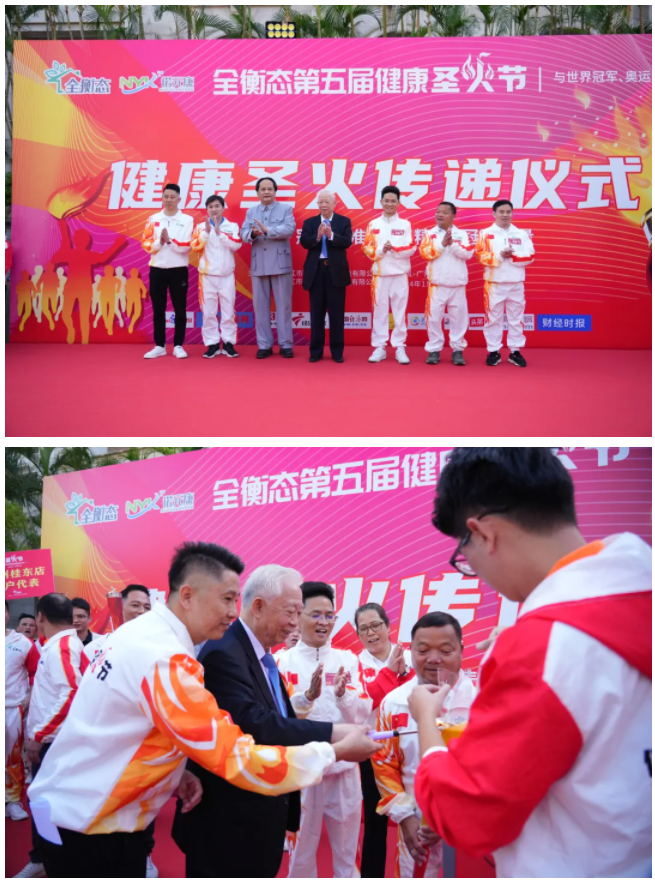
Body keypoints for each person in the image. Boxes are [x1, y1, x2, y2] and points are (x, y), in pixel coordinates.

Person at [27, 543, 378, 879]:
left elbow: (124, 723)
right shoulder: (166, 659)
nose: (233, 612)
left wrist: (176, 771)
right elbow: (236, 757)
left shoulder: (140, 634)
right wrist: (333, 751)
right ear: (188, 596)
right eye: (226, 599)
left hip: (73, 809)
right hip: (92, 828)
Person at [407, 447, 651, 878]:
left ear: (484, 534)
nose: (477, 572)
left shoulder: (543, 647)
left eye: (464, 557)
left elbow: (464, 814)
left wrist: (427, 720)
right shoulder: (637, 589)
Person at [173, 565, 361, 878]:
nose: (295, 623)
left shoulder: (259, 654)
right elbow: (257, 724)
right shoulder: (225, 653)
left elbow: (277, 716)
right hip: (229, 826)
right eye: (292, 612)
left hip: (258, 816)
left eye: (299, 612)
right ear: (258, 606)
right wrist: (335, 734)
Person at [278, 582, 373, 878]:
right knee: (301, 850)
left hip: (343, 768)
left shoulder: (348, 660)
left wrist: (343, 695)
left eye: (329, 615)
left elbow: (363, 712)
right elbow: (278, 719)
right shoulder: (282, 662)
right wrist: (306, 698)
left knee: (347, 850)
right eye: (316, 614)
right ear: (298, 615)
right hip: (302, 768)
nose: (324, 622)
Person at [374, 612, 476, 878]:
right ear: (411, 651)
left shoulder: (481, 702)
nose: (433, 659)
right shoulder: (394, 703)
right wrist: (405, 817)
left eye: (445, 650)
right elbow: (384, 764)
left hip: (471, 827)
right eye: (422, 650)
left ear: (461, 650)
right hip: (417, 829)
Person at [16, 594, 83, 879]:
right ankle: (44, 856)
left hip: (53, 744)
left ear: (40, 616)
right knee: (42, 802)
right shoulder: (57, 644)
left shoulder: (63, 647)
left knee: (46, 804)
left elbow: (71, 693)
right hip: (50, 741)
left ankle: (49, 860)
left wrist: (40, 735)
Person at [354, 603, 413, 877]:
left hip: (410, 749)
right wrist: (389, 673)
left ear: (388, 626)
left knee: (416, 817)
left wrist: (403, 674)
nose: (371, 633)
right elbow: (365, 704)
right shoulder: (355, 664)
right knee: (375, 821)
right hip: (375, 751)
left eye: (376, 625)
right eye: (363, 629)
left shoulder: (411, 657)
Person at [240, 177, 296, 359]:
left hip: (280, 263)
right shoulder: (251, 211)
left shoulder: (286, 209)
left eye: (269, 189)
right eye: (262, 189)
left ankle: (286, 344)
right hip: (260, 264)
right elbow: (243, 234)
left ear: (275, 191)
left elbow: (289, 229)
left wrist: (267, 231)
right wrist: (252, 233)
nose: (266, 192)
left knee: (284, 306)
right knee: (260, 306)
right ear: (257, 192)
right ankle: (264, 344)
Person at [476, 200, 535, 368]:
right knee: (493, 319)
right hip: (494, 283)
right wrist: (501, 256)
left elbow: (531, 255)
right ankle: (493, 351)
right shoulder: (485, 233)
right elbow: (480, 256)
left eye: (508, 212)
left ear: (512, 213)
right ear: (494, 213)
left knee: (516, 319)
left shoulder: (521, 234)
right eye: (501, 212)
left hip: (516, 283)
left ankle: (515, 351)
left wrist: (513, 255)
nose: (505, 215)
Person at [362, 185, 416, 364]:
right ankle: (380, 347)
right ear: (381, 202)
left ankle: (400, 346)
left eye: (393, 201)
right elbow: (367, 247)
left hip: (399, 275)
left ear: (398, 203)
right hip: (380, 275)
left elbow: (412, 247)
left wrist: (394, 248)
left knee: (400, 312)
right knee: (380, 312)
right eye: (387, 201)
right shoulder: (373, 224)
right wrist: (381, 250)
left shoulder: (405, 224)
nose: (389, 204)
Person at [141, 182, 194, 360]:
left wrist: (170, 242)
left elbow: (187, 246)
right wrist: (159, 242)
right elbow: (146, 244)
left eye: (172, 197)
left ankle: (178, 345)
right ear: (162, 198)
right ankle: (159, 345)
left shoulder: (187, 220)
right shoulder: (153, 219)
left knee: (180, 308)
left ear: (179, 199)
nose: (169, 200)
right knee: (158, 308)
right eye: (166, 197)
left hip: (178, 270)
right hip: (157, 269)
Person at [300, 189, 352, 363]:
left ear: (334, 204)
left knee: (336, 315)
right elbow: (304, 242)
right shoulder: (310, 222)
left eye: (326, 202)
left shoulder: (344, 222)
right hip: (316, 272)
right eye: (320, 202)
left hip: (335, 272)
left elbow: (347, 242)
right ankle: (316, 351)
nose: (323, 205)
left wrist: (331, 235)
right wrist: (317, 236)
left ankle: (337, 352)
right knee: (316, 314)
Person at [419, 202, 474, 366]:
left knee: (459, 319)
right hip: (437, 284)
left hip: (457, 284)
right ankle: (434, 349)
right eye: (438, 212)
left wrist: (452, 244)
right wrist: (442, 244)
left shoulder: (462, 234)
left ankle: (457, 349)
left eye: (444, 212)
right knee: (434, 318)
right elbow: (425, 253)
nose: (440, 215)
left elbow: (468, 253)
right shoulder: (429, 234)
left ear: (453, 216)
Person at [191, 194, 242, 359]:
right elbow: (195, 246)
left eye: (217, 206)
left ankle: (228, 343)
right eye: (211, 207)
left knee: (228, 312)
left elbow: (236, 244)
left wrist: (220, 233)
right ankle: (212, 344)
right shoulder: (200, 227)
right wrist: (206, 233)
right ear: (207, 209)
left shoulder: (232, 226)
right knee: (208, 313)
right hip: (207, 277)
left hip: (227, 276)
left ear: (223, 207)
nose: (214, 209)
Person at [5, 602, 40, 822]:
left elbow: (36, 673)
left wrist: (28, 698)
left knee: (13, 757)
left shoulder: (23, 643)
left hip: (11, 708)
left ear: (7, 614)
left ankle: (12, 801)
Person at [83, 584, 152, 664]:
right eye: (135, 605)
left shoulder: (157, 646)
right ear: (119, 608)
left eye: (147, 607)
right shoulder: (95, 648)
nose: (142, 611)